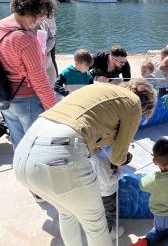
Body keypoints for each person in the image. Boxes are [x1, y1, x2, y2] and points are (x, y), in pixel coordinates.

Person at [13, 79, 157, 246]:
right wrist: (127, 158)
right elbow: (117, 157)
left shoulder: (100, 89)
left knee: (67, 213)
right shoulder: (134, 104)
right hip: (60, 156)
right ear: (147, 106)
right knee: (96, 226)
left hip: (23, 155)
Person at [0, 0, 56, 149]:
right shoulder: (25, 38)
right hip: (27, 100)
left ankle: (22, 174)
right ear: (33, 13)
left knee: (20, 146)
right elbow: (40, 80)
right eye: (41, 15)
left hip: (5, 98)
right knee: (37, 149)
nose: (41, 21)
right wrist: (54, 110)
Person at [24, 0, 59, 85]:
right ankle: (54, 85)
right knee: (51, 59)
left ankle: (41, 85)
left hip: (40, 32)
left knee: (37, 60)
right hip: (51, 32)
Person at [90, 146, 126, 239]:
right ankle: (109, 233)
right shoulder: (98, 160)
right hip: (107, 192)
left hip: (99, 190)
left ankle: (105, 228)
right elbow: (107, 181)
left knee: (104, 211)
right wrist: (120, 173)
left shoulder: (97, 151)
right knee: (110, 212)